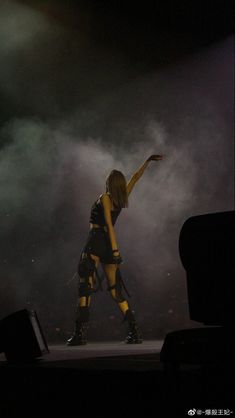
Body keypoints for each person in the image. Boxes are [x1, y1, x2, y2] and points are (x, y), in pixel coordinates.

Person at [67, 154, 163, 345]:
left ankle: (80, 335)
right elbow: (135, 177)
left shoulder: (105, 198)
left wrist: (116, 249)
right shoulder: (121, 198)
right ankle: (134, 331)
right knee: (114, 290)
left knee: (85, 286)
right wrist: (147, 161)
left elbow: (109, 226)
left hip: (96, 241)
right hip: (107, 246)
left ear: (109, 183)